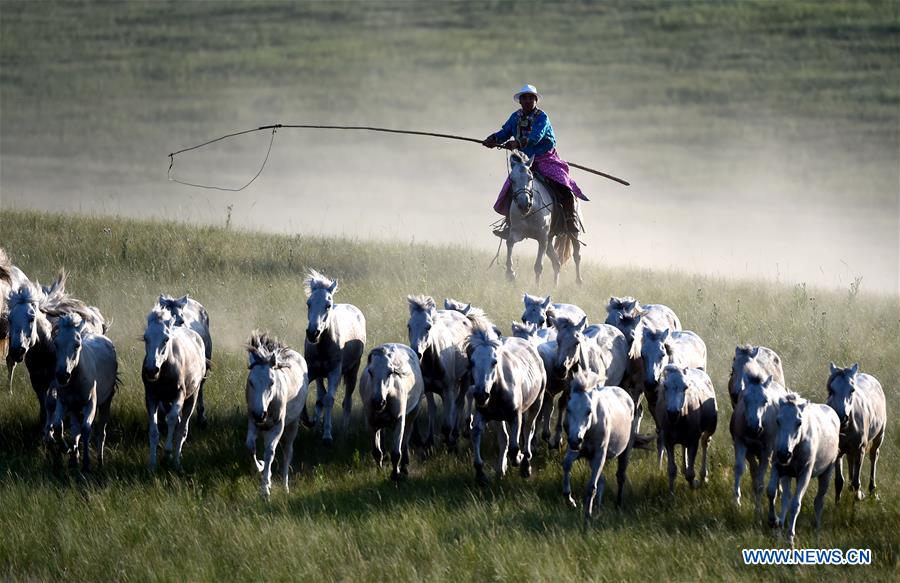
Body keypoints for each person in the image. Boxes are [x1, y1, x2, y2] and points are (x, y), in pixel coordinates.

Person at [482, 84, 588, 238]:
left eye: (531, 98)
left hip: (545, 159)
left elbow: (536, 137)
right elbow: (505, 132)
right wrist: (493, 139)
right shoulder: (515, 117)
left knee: (563, 184)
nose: (527, 100)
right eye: (524, 98)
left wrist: (517, 143)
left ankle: (570, 220)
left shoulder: (542, 117)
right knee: (511, 187)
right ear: (520, 101)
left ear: (536, 100)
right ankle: (510, 223)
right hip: (525, 161)